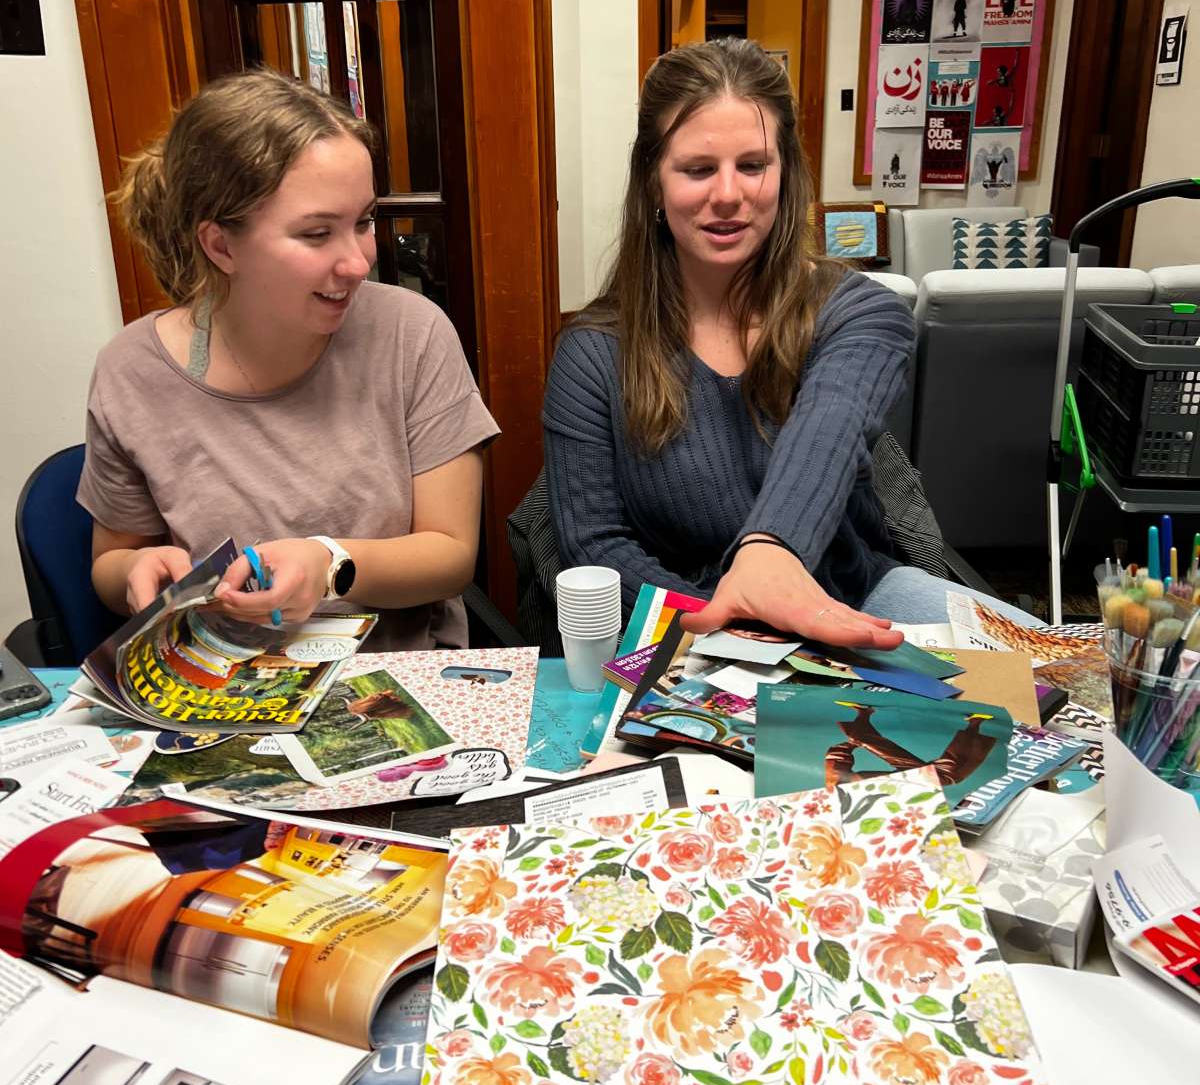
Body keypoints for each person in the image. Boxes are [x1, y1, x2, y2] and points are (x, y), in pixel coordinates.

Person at [542, 38, 1038, 646]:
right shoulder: (592, 354)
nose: (728, 193)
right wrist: (740, 621)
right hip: (688, 627)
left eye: (752, 165)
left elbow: (827, 434)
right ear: (652, 182)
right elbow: (594, 548)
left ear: (787, 174)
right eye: (698, 169)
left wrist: (770, 556)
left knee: (1065, 680)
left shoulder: (858, 313)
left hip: (857, 602)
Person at [79, 70, 497, 649]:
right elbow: (113, 559)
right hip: (221, 678)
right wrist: (137, 572)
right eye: (317, 233)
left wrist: (329, 565)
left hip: (394, 675)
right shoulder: (131, 371)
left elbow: (451, 554)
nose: (357, 262)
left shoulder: (412, 333)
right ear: (221, 246)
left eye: (364, 222)